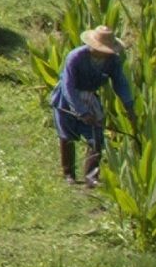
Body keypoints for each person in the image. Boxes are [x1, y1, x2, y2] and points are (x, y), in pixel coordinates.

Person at [54, 22, 128, 186]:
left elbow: (120, 83)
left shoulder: (113, 61)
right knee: (67, 135)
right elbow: (68, 85)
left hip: (89, 97)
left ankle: (91, 176)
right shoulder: (75, 57)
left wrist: (128, 105)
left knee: (96, 135)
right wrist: (80, 111)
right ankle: (68, 174)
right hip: (67, 98)